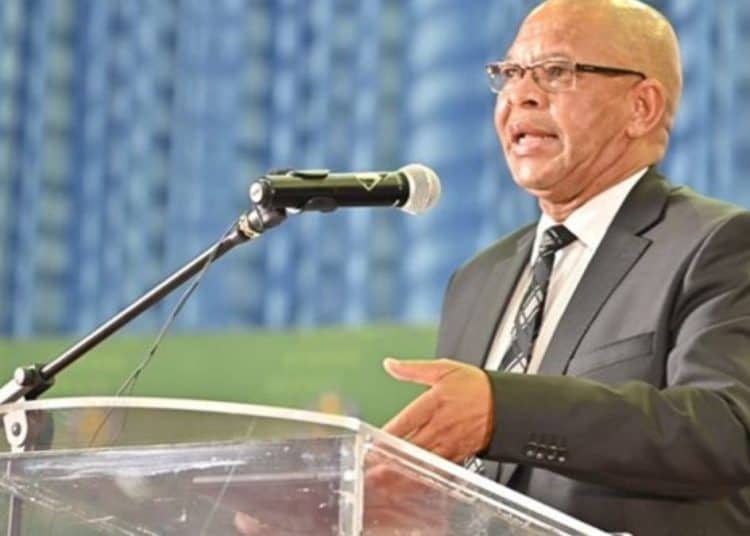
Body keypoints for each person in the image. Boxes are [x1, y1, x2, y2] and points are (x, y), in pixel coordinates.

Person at [382, 0, 750, 534]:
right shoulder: (477, 280)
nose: (521, 94)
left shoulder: (717, 245)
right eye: (510, 73)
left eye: (556, 72)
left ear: (642, 107)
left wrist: (504, 411)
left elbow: (725, 430)